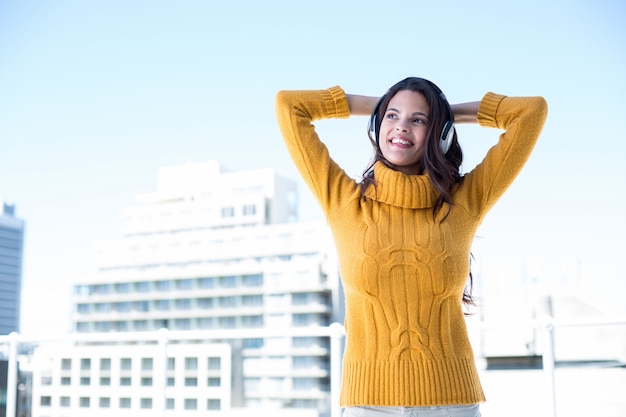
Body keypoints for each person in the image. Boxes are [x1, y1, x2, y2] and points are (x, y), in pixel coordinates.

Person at [274, 77, 548, 417]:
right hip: (367, 404)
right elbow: (290, 106)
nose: (401, 127)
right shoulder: (343, 201)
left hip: (452, 402)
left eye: (418, 120)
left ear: (439, 134)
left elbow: (530, 111)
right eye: (392, 116)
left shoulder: (465, 201)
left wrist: (448, 115)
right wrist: (376, 106)